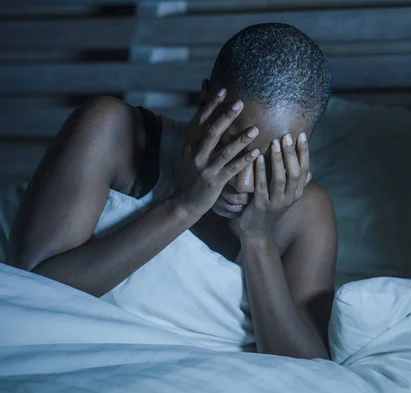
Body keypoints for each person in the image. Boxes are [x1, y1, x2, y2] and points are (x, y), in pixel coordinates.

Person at [7, 23, 336, 360]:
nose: (243, 184)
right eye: (230, 147)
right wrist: (183, 207)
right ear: (204, 100)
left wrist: (258, 238)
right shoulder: (112, 131)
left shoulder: (306, 211)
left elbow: (311, 369)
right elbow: (29, 293)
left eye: (269, 162)